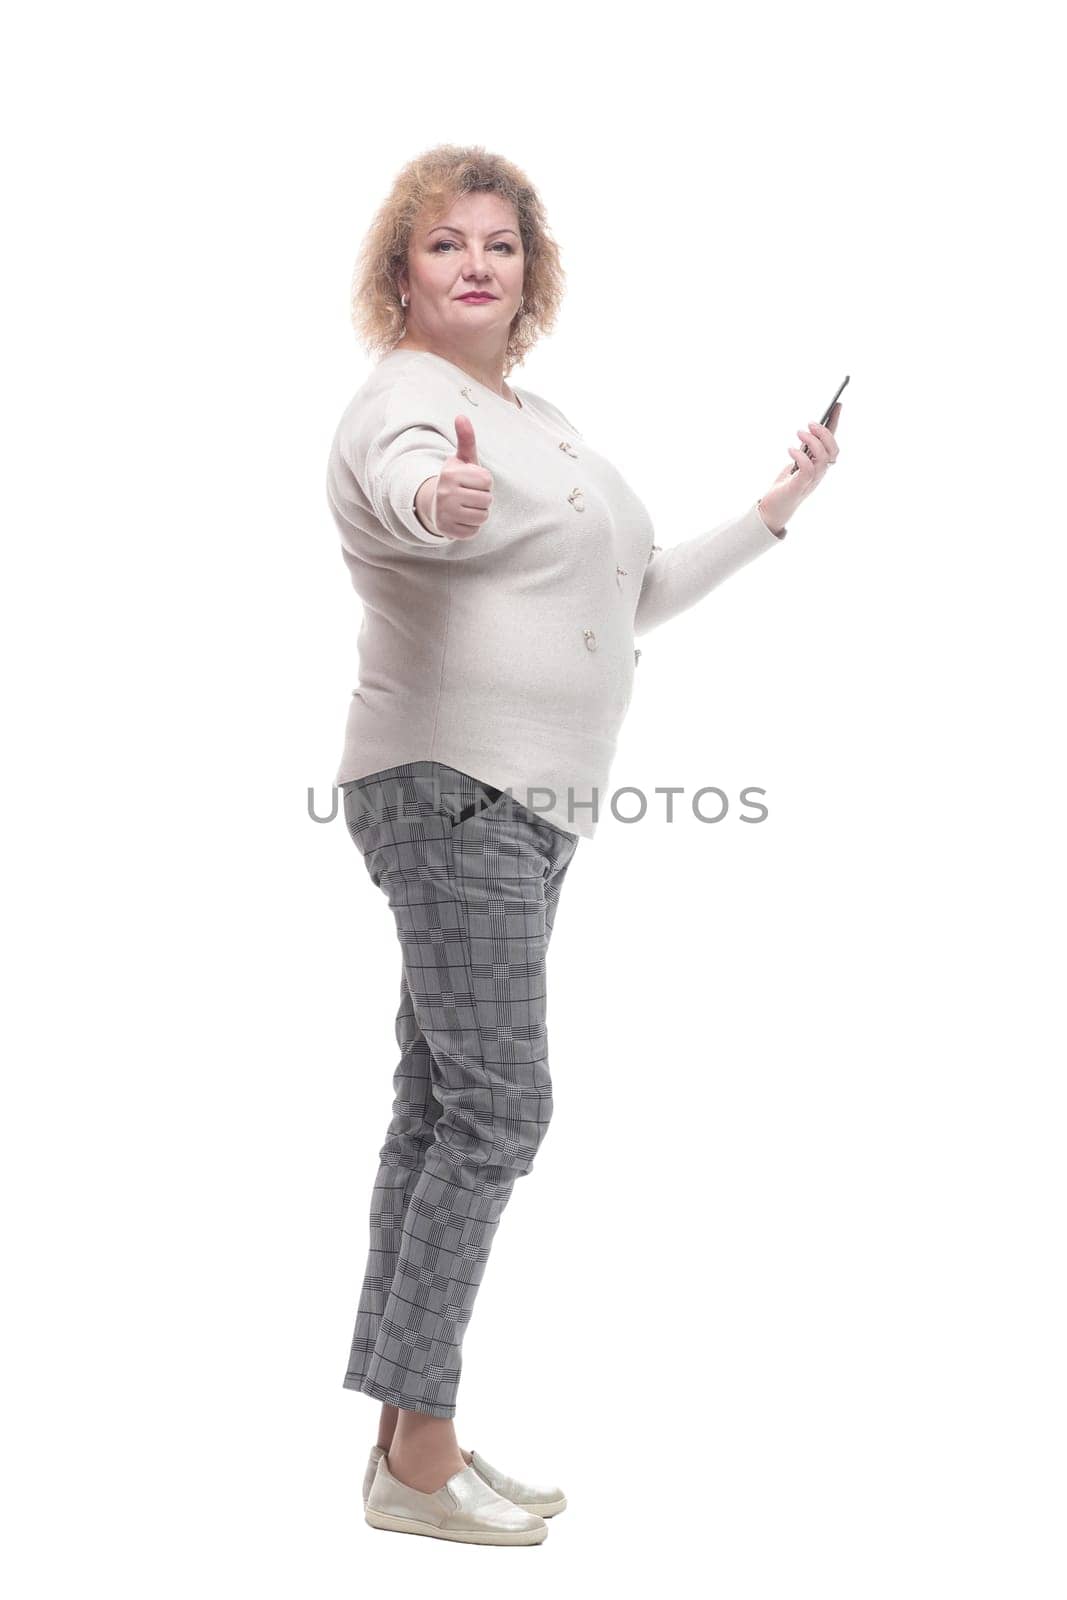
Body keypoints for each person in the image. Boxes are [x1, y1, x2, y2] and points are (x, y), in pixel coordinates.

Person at [326, 143, 841, 1546]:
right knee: (503, 1111)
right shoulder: (408, 408)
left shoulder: (537, 416)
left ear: (528, 271)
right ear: (403, 273)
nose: (476, 263)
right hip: (454, 785)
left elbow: (636, 592)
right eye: (446, 245)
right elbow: (408, 488)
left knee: (441, 1109)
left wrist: (776, 510)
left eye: (500, 243)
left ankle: (402, 1441)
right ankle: (420, 1455)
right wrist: (443, 503)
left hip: (531, 802)